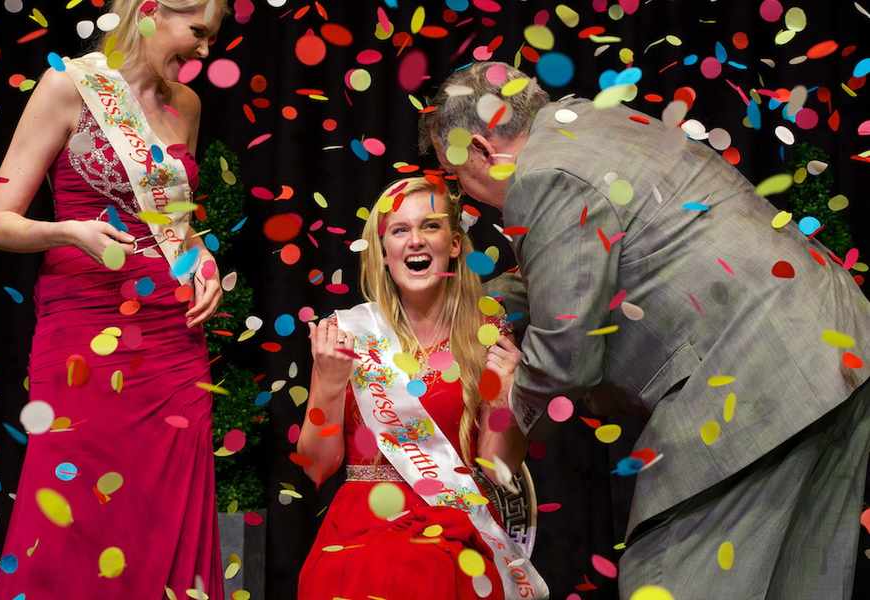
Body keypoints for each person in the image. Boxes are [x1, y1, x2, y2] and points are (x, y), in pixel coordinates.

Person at [419, 61, 870, 599]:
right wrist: (469, 309)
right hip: (836, 347)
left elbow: (565, 354)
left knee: (668, 581)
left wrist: (507, 418)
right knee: (797, 584)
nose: (467, 196)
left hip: (754, 380)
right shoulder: (595, 124)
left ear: (480, 150)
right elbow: (590, 270)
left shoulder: (543, 176)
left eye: (459, 178)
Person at [0, 1, 228, 597]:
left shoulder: (187, 105)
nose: (204, 51)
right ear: (148, 11)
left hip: (172, 340)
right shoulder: (68, 83)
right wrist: (69, 231)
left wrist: (205, 261)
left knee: (164, 506)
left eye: (211, 37)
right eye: (198, 32)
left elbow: (173, 224)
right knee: (73, 503)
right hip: (85, 331)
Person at [296, 177, 549, 599]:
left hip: (453, 522)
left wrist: (506, 395)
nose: (415, 241)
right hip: (360, 522)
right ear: (384, 253)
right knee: (367, 568)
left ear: (452, 244)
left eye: (429, 226)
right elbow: (316, 467)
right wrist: (328, 384)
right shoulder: (347, 332)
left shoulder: (487, 331)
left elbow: (499, 469)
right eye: (400, 230)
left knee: (418, 566)